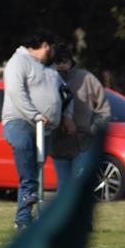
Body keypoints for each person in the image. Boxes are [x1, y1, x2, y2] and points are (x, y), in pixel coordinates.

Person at [1, 30, 68, 230]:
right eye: (52, 47)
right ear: (45, 45)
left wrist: (66, 116)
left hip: (45, 128)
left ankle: (24, 220)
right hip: (19, 121)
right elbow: (15, 91)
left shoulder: (50, 69)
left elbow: (66, 94)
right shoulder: (18, 61)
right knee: (26, 157)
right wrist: (34, 115)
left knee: (36, 171)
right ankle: (27, 207)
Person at [50, 44, 110, 189]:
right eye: (58, 62)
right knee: (63, 187)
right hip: (58, 143)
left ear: (71, 62)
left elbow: (103, 109)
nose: (62, 66)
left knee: (80, 186)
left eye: (65, 61)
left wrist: (94, 128)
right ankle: (63, 211)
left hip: (84, 141)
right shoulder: (48, 79)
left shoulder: (87, 78)